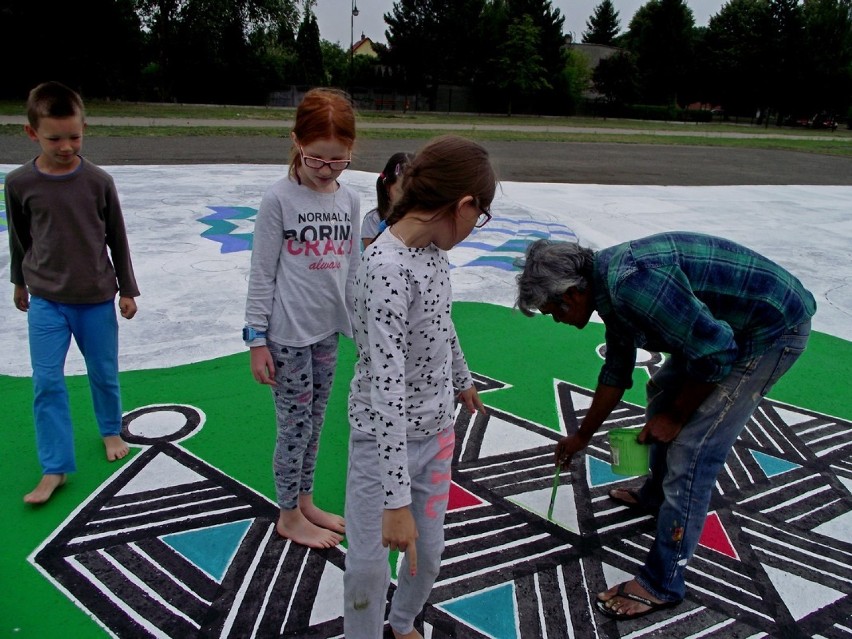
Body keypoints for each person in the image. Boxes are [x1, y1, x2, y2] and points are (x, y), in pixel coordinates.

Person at [515, 232, 815, 621]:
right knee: (660, 390)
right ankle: (656, 495)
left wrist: (675, 417)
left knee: (694, 450)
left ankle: (663, 582)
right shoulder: (606, 287)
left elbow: (718, 352)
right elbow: (616, 369)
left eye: (552, 311)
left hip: (769, 331)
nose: (556, 319)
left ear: (571, 293)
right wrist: (581, 436)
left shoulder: (631, 285)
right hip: (726, 328)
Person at [344, 135, 494, 639]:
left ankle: (403, 621)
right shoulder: (386, 268)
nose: (477, 227)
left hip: (436, 435)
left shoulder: (431, 253)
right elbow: (386, 391)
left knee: (427, 556)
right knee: (368, 568)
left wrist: (461, 377)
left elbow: (439, 320)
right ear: (464, 204)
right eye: (482, 216)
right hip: (381, 447)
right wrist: (395, 499)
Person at [6, 81, 140, 505]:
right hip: (46, 299)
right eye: (54, 138)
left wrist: (127, 289)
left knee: (103, 371)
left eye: (75, 136)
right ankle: (55, 466)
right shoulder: (19, 182)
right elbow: (19, 237)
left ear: (84, 128)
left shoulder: (98, 181)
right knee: (46, 381)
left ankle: (108, 429)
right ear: (32, 133)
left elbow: (117, 237)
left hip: (96, 297)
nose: (66, 146)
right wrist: (19, 280)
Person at [243, 87, 359, 549]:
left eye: (338, 160)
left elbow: (354, 270)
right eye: (316, 160)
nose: (326, 170)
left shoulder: (348, 200)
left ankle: (305, 500)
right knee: (294, 427)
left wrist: (362, 326)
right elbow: (261, 271)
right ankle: (288, 514)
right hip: (286, 336)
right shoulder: (279, 200)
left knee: (316, 420)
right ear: (296, 142)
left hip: (326, 332)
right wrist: (256, 340)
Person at [361, 151, 414, 249]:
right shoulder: (373, 220)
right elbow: (370, 256)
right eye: (399, 191)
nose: (407, 197)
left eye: (412, 191)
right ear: (387, 186)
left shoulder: (423, 218)